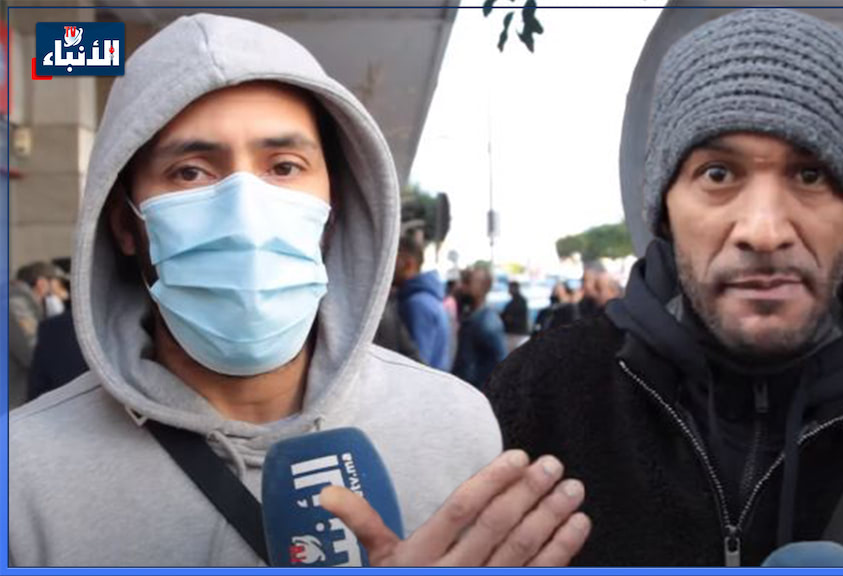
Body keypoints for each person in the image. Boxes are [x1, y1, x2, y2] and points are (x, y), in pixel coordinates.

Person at [11, 15, 589, 566]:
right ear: (124, 223)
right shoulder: (22, 476)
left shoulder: (455, 425)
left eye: (284, 167)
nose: (246, 213)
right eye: (191, 172)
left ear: (335, 206)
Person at [484, 9, 843, 566]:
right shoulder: (543, 395)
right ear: (664, 205)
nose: (763, 230)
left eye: (810, 175)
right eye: (718, 174)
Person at [8, 261, 66, 409]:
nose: (62, 289)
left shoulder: (23, 305)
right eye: (58, 283)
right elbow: (33, 354)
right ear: (42, 284)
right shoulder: (16, 305)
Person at [394, 235, 451, 370]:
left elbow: (416, 366)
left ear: (408, 264)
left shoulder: (417, 304)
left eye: (394, 261)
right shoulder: (426, 299)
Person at [452, 265, 508, 388]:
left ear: (483, 287)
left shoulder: (487, 323)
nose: (461, 287)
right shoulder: (469, 316)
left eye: (467, 282)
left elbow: (501, 364)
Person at [501, 281, 530, 351]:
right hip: (513, 333)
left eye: (510, 288)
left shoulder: (520, 301)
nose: (508, 290)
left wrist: (508, 319)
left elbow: (512, 318)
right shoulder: (512, 302)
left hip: (516, 334)